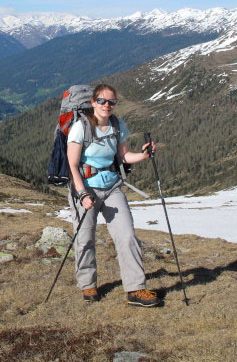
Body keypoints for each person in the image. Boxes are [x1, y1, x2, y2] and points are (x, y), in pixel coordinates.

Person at [67, 83, 159, 306]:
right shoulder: (81, 127)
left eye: (111, 102)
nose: (106, 105)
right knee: (85, 238)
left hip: (112, 187)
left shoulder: (118, 125)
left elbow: (124, 157)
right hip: (86, 188)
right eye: (101, 101)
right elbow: (72, 164)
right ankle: (88, 284)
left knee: (126, 235)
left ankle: (136, 289)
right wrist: (82, 194)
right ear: (93, 102)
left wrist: (145, 155)